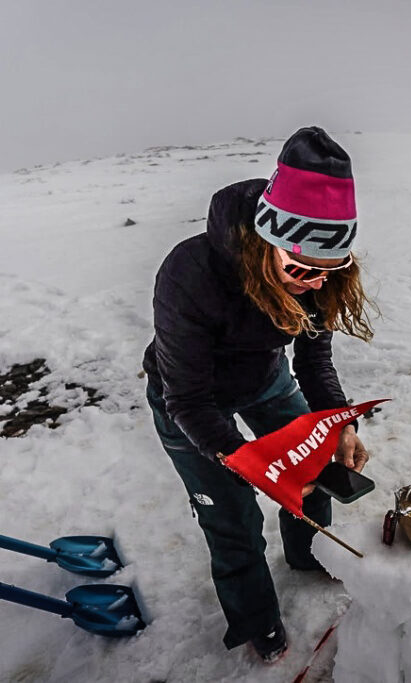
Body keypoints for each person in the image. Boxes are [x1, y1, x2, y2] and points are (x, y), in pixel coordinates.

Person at [142, 127, 375, 662]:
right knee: (232, 516)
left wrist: (340, 423)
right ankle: (256, 619)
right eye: (303, 269)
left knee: (315, 465)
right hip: (188, 399)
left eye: (332, 268)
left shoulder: (319, 278)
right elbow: (188, 400)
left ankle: (310, 553)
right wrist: (255, 465)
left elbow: (313, 361)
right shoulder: (190, 274)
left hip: (265, 379)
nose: (316, 283)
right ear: (266, 246)